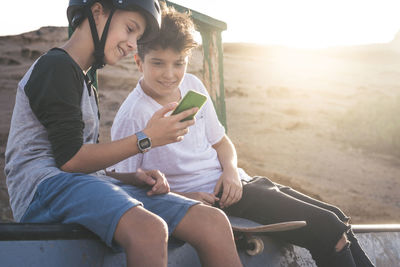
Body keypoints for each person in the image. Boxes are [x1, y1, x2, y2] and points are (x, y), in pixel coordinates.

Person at [110, 4, 375, 267]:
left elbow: (221, 142)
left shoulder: (193, 85)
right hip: (218, 201)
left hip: (240, 182)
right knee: (328, 229)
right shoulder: (134, 114)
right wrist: (183, 196)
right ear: (138, 61)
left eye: (179, 63)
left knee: (337, 216)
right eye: (158, 63)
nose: (170, 74)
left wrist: (231, 172)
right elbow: (125, 184)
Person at [4, 1, 243, 266]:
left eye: (137, 37)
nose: (131, 44)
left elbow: (83, 166)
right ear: (97, 12)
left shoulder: (84, 79)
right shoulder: (56, 66)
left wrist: (132, 178)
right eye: (129, 29)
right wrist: (147, 138)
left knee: (211, 222)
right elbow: (70, 160)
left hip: (81, 183)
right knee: (148, 229)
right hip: (43, 188)